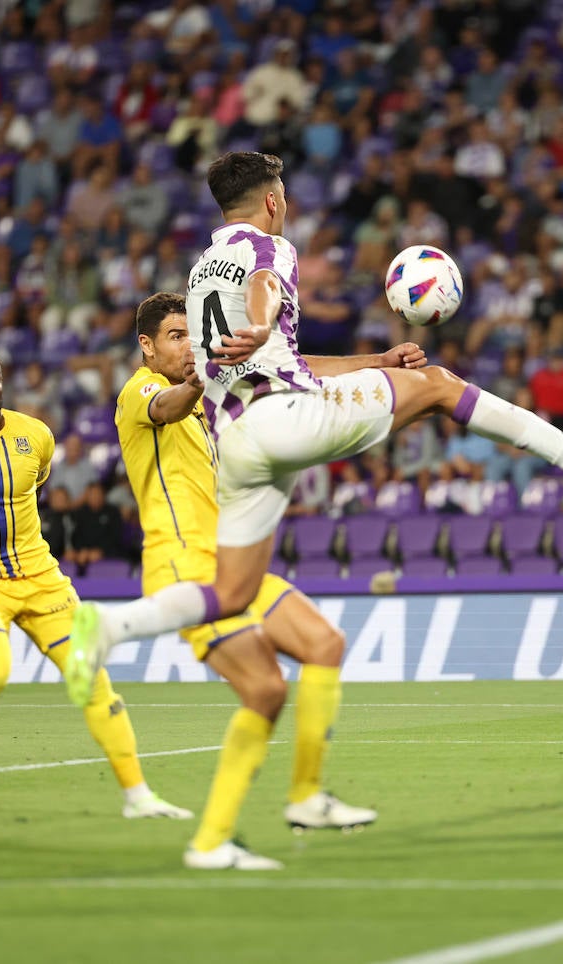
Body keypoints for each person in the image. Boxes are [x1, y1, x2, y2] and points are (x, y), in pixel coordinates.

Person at [66, 152, 563, 697]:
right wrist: (266, 325)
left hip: (235, 443)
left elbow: (279, 357)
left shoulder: (198, 278)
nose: (286, 206)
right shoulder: (271, 246)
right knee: (439, 384)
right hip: (282, 417)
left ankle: (110, 627)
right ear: (271, 202)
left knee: (232, 591)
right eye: (283, 196)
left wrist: (374, 362)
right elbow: (265, 289)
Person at [116, 292, 377, 870]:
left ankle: (307, 796)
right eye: (176, 336)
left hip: (233, 557)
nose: (188, 346)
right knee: (264, 689)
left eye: (192, 334)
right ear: (148, 346)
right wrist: (203, 376)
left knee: (323, 645)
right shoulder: (141, 392)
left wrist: (378, 362)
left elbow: (299, 369)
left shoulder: (211, 389)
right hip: (184, 563)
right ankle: (210, 842)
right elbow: (171, 405)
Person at [0, 352, 190, 825]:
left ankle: (138, 795)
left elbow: (32, 490)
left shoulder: (35, 435)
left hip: (39, 575)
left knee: (91, 678)